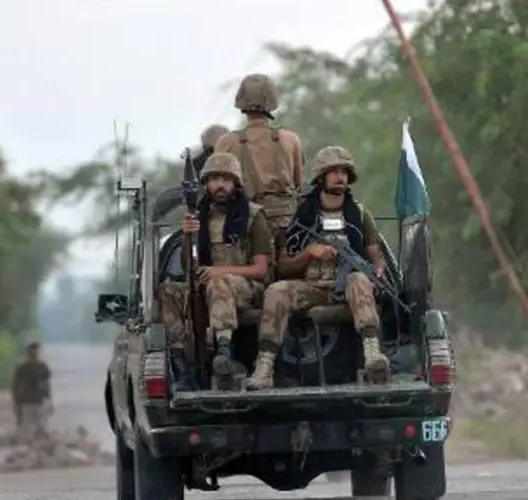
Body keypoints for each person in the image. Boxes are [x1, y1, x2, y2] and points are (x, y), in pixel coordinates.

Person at [247, 146, 388, 390]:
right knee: (277, 291)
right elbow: (284, 265)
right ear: (321, 177)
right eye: (333, 171)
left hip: (347, 290)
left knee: (359, 280)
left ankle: (373, 355)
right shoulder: (303, 216)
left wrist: (377, 271)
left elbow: (375, 253)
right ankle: (264, 367)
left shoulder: (360, 215)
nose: (340, 177)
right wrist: (309, 253)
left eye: (344, 171)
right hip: (312, 287)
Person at [158, 152, 272, 390]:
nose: (220, 185)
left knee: (218, 282)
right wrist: (188, 236)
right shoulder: (199, 216)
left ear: (235, 183)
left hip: (246, 287)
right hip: (206, 283)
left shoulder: (252, 216)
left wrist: (218, 271)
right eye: (214, 179)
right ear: (206, 184)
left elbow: (261, 270)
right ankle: (183, 365)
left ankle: (223, 350)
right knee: (168, 290)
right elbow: (190, 266)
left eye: (226, 179)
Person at [214, 73, 305, 245]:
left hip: (244, 223)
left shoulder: (226, 142)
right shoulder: (291, 140)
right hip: (286, 223)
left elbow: (216, 187)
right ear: (272, 101)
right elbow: (298, 184)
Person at [11, 342, 52, 441]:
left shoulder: (43, 367)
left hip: (39, 402)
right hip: (26, 402)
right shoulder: (22, 369)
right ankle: (26, 449)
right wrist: (16, 404)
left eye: (36, 353)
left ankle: (39, 450)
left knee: (42, 429)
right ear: (28, 354)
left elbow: (47, 385)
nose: (34, 355)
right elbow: (15, 387)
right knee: (26, 431)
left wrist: (50, 401)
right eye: (32, 353)